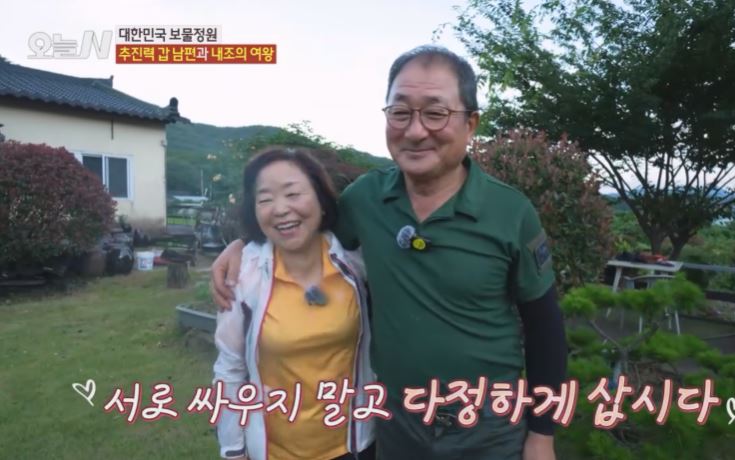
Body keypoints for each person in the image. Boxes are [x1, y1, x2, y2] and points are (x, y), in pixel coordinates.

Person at [213, 46, 567, 460]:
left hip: (487, 427)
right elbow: (307, 231)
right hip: (396, 422)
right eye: (400, 112)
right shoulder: (366, 199)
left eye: (435, 113)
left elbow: (545, 330)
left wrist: (542, 434)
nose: (415, 131)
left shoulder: (510, 212)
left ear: (471, 123)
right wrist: (244, 246)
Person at [212, 147, 375, 460]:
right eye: (265, 199)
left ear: (321, 200)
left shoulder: (355, 264)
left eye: (293, 194)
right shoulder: (243, 276)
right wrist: (233, 451)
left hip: (353, 447)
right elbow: (230, 371)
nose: (280, 209)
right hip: (274, 451)